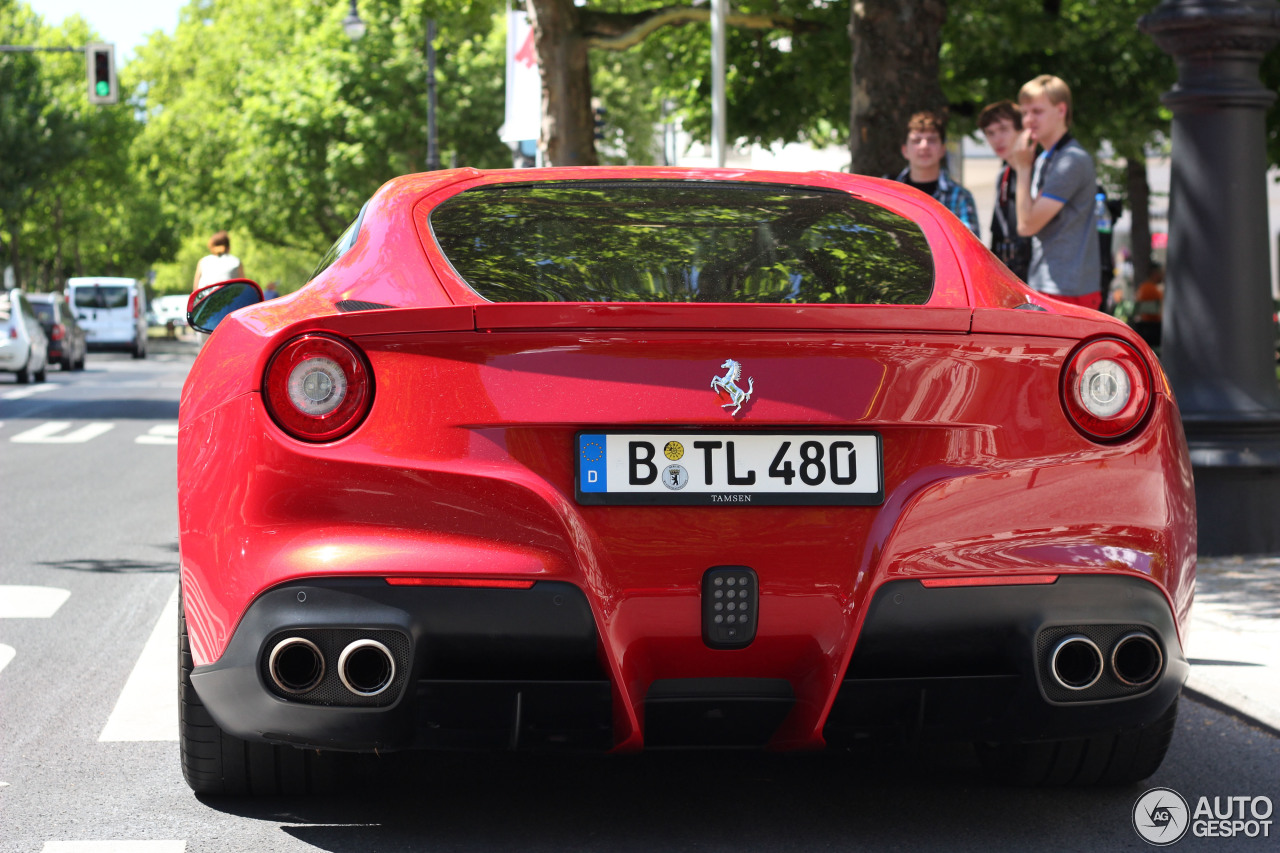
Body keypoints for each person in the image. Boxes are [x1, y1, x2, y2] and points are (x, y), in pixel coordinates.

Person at [1007, 75, 1102, 309]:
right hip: (1052, 284)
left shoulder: (1070, 160)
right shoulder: (1047, 158)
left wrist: (1022, 168)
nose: (1028, 120)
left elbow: (1026, 225)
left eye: (1037, 111)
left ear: (1061, 110)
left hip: (1067, 289)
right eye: (1025, 112)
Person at [892, 111, 981, 238]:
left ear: (943, 150)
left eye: (932, 140)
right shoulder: (891, 192)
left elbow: (970, 249)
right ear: (905, 150)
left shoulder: (960, 197)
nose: (924, 146)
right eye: (917, 140)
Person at [978, 100, 1032, 280]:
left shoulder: (1041, 169)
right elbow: (998, 233)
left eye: (1003, 129)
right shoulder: (1003, 175)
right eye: (990, 133)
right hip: (1011, 277)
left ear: (1021, 129)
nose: (997, 139)